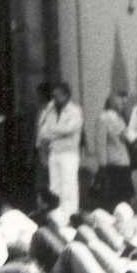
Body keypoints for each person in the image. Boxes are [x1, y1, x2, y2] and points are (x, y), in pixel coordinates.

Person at [36, 81, 84, 219]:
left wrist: (52, 132)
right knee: (55, 186)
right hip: (54, 152)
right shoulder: (50, 110)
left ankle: (70, 214)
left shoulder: (75, 111)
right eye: (54, 95)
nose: (55, 98)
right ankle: (57, 214)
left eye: (58, 95)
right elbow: (43, 131)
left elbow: (69, 129)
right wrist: (56, 132)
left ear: (66, 95)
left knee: (69, 184)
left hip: (69, 153)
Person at [95, 90, 134, 209]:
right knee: (116, 199)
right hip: (113, 164)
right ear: (112, 101)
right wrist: (102, 165)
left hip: (123, 163)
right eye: (121, 101)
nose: (123, 104)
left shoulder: (119, 117)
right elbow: (100, 143)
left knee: (124, 198)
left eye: (124, 102)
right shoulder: (105, 117)